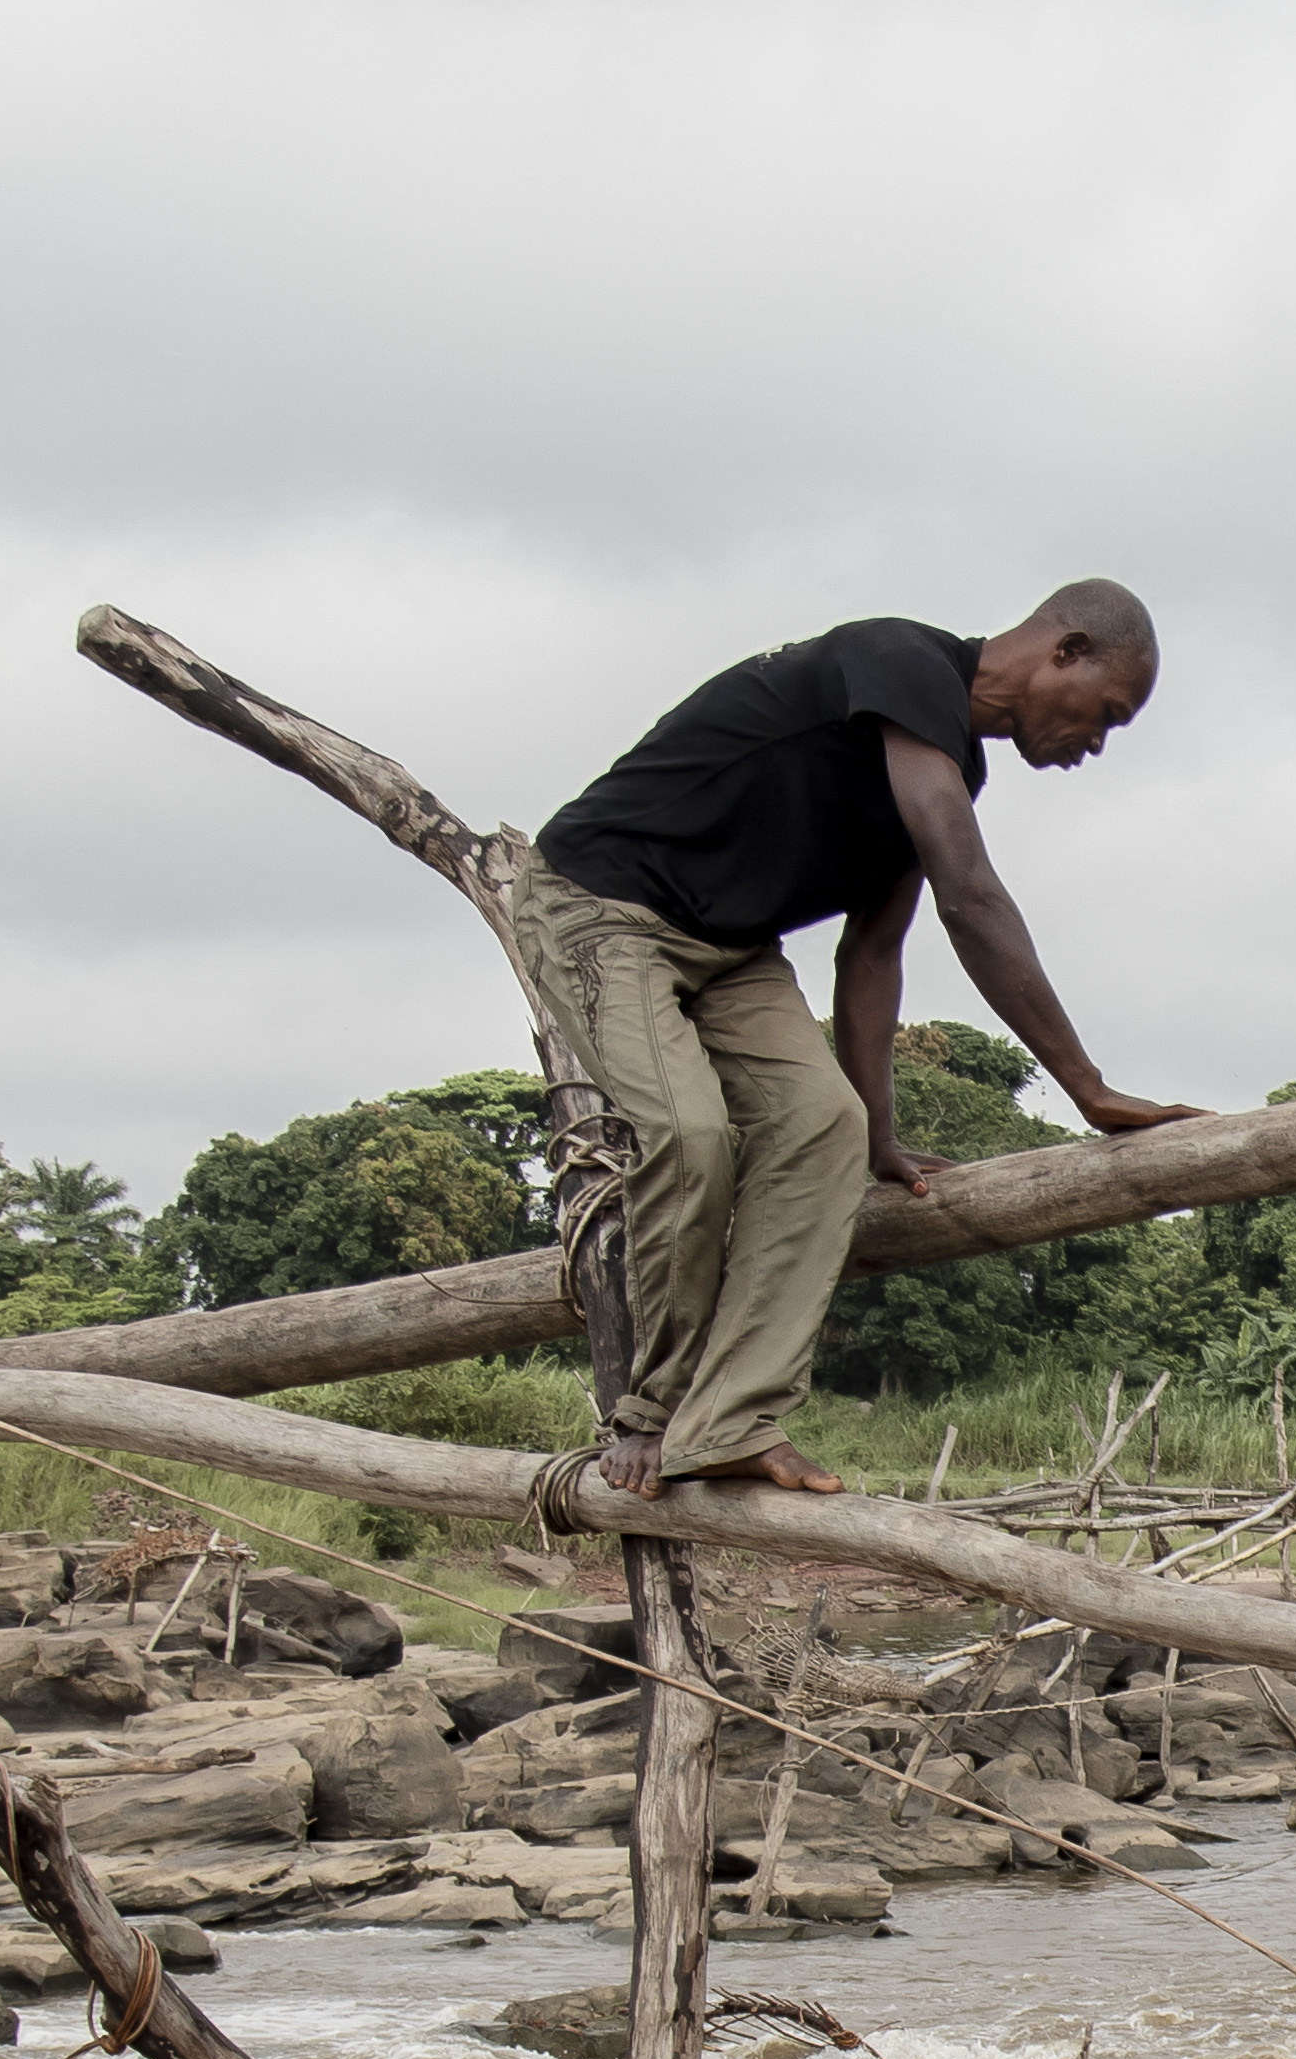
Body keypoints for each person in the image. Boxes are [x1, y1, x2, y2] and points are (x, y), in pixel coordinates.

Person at [493, 591, 1192, 1515]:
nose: (1094, 743)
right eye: (1106, 714)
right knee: (693, 1135)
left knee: (825, 1126)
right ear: (1064, 650)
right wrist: (1087, 1089)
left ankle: (731, 1422)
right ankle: (652, 1413)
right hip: (596, 907)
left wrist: (879, 1135)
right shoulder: (902, 662)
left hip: (732, 948)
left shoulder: (942, 765)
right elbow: (969, 896)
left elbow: (871, 954)